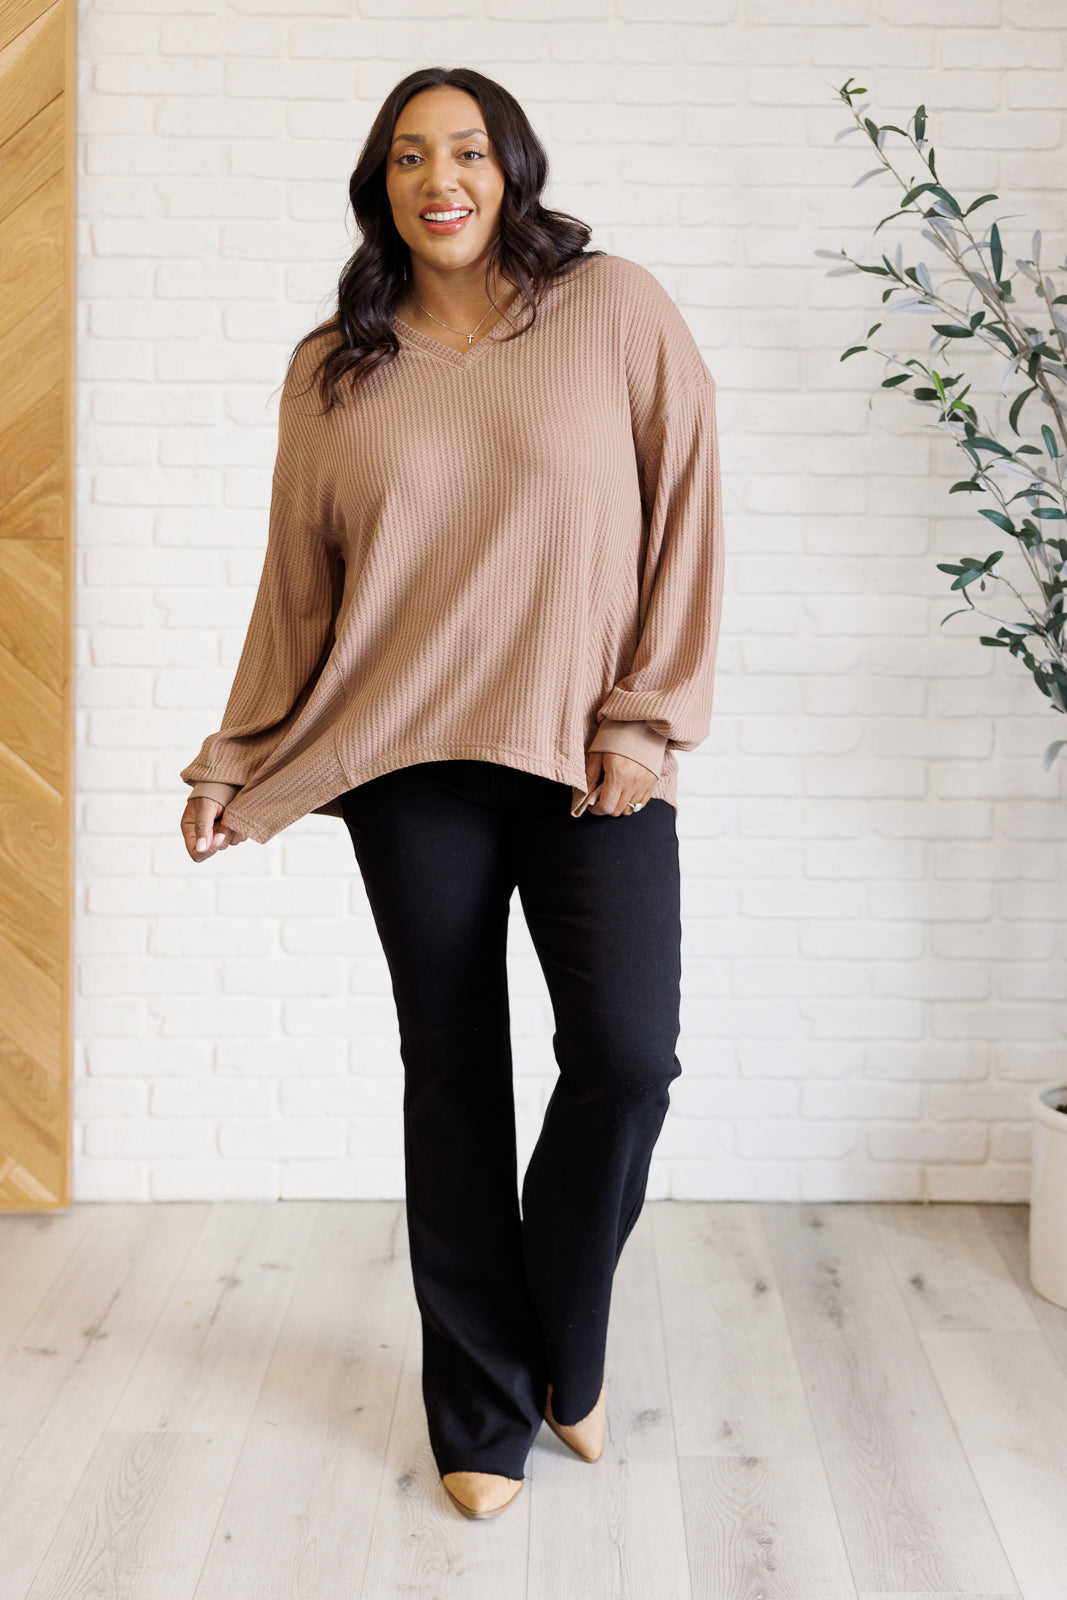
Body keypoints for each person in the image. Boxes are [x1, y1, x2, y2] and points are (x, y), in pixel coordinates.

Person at [179, 65, 725, 1521]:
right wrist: (239, 758)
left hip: (587, 753)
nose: (443, 177)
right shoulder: (335, 370)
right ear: (382, 184)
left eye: (468, 150)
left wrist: (647, 720)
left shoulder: (614, 310)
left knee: (628, 1056)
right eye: (412, 155)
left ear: (511, 167)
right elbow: (297, 589)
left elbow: (686, 512)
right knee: (456, 1077)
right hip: (406, 768)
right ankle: (479, 1406)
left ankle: (571, 1350)